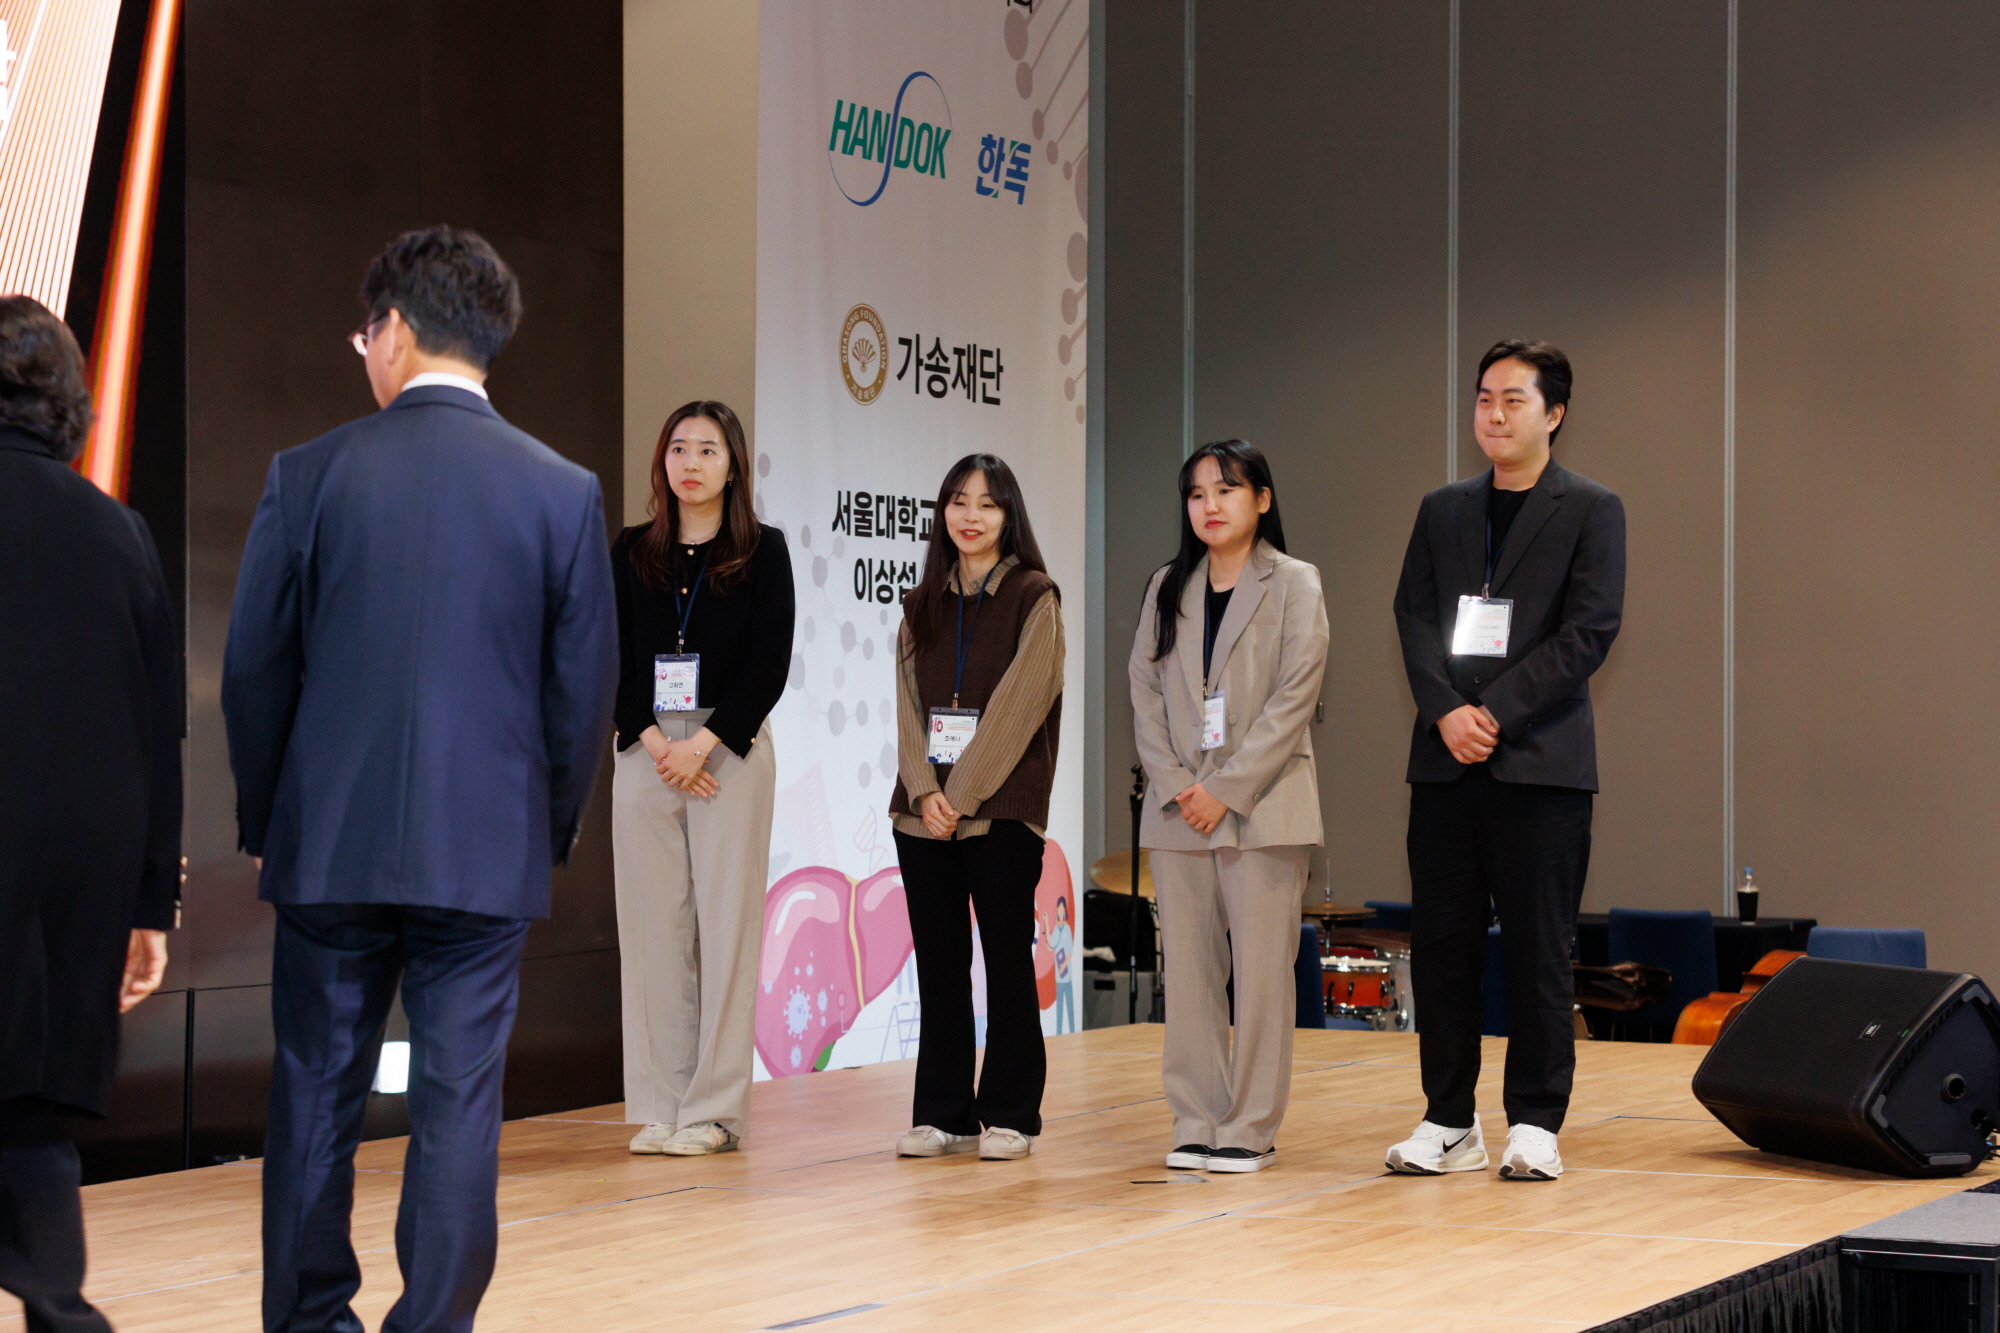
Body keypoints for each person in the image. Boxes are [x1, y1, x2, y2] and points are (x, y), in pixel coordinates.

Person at [222, 227, 618, 1332]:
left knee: (315, 1094)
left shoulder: (309, 474)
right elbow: (581, 694)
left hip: (329, 844)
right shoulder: (562, 491)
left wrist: (268, 818)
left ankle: (309, 1322)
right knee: (456, 1107)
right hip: (483, 852)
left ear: (392, 329)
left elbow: (253, 671)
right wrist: (541, 829)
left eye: (364, 336)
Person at [1386, 339, 1624, 1182]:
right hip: (1446, 764)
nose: (1494, 413)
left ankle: (1534, 1120)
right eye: (1485, 397)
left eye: (1513, 399)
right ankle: (1449, 1120)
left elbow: (1588, 632)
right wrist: (1446, 710)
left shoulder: (1590, 508)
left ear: (1554, 413)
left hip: (1540, 766)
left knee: (1537, 950)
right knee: (1442, 948)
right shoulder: (1443, 508)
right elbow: (1413, 616)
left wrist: (1494, 711)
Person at [0, 296, 179, 1333]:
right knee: (32, 1123)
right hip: (74, 891)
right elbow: (159, 729)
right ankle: (60, 1310)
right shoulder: (120, 532)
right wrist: (149, 905)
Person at [1128, 440, 1328, 1175]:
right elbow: (1144, 691)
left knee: (1264, 976)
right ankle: (1196, 1117)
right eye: (1196, 493)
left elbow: (1295, 697)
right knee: (1188, 974)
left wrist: (1226, 788)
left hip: (1264, 807)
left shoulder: (1295, 582)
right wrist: (1179, 782)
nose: (1209, 505)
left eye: (1226, 489)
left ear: (1262, 499)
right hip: (1179, 808)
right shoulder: (1166, 585)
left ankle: (1249, 1126)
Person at [611, 400, 793, 1157]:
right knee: (651, 931)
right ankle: (662, 1101)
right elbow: (610, 656)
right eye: (679, 448)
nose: (691, 462)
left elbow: (770, 662)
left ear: (733, 465)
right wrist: (660, 743)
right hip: (646, 749)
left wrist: (705, 744)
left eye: (708, 449)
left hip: (729, 750)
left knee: (726, 928)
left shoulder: (763, 550)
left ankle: (714, 1109)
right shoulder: (631, 550)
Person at [889, 454, 1064, 1162]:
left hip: (1001, 812)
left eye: (987, 504)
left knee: (1006, 960)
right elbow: (905, 710)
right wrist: (924, 791)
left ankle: (1012, 1113)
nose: (970, 516)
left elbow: (1021, 706)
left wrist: (958, 795)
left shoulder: (1034, 596)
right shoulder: (920, 603)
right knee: (939, 967)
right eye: (958, 501)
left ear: (1009, 515)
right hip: (922, 816)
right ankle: (945, 1114)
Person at [1049, 895, 1076, 1035]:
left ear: (1065, 911)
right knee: (1059, 1011)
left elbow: (1070, 952)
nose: (1060, 912)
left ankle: (1073, 1033)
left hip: (1067, 976)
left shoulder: (1067, 929)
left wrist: (1064, 966)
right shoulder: (1055, 930)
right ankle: (1058, 1035)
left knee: (1070, 1009)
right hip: (1058, 978)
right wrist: (1046, 923)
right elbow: (1050, 946)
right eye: (1058, 909)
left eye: (1062, 909)